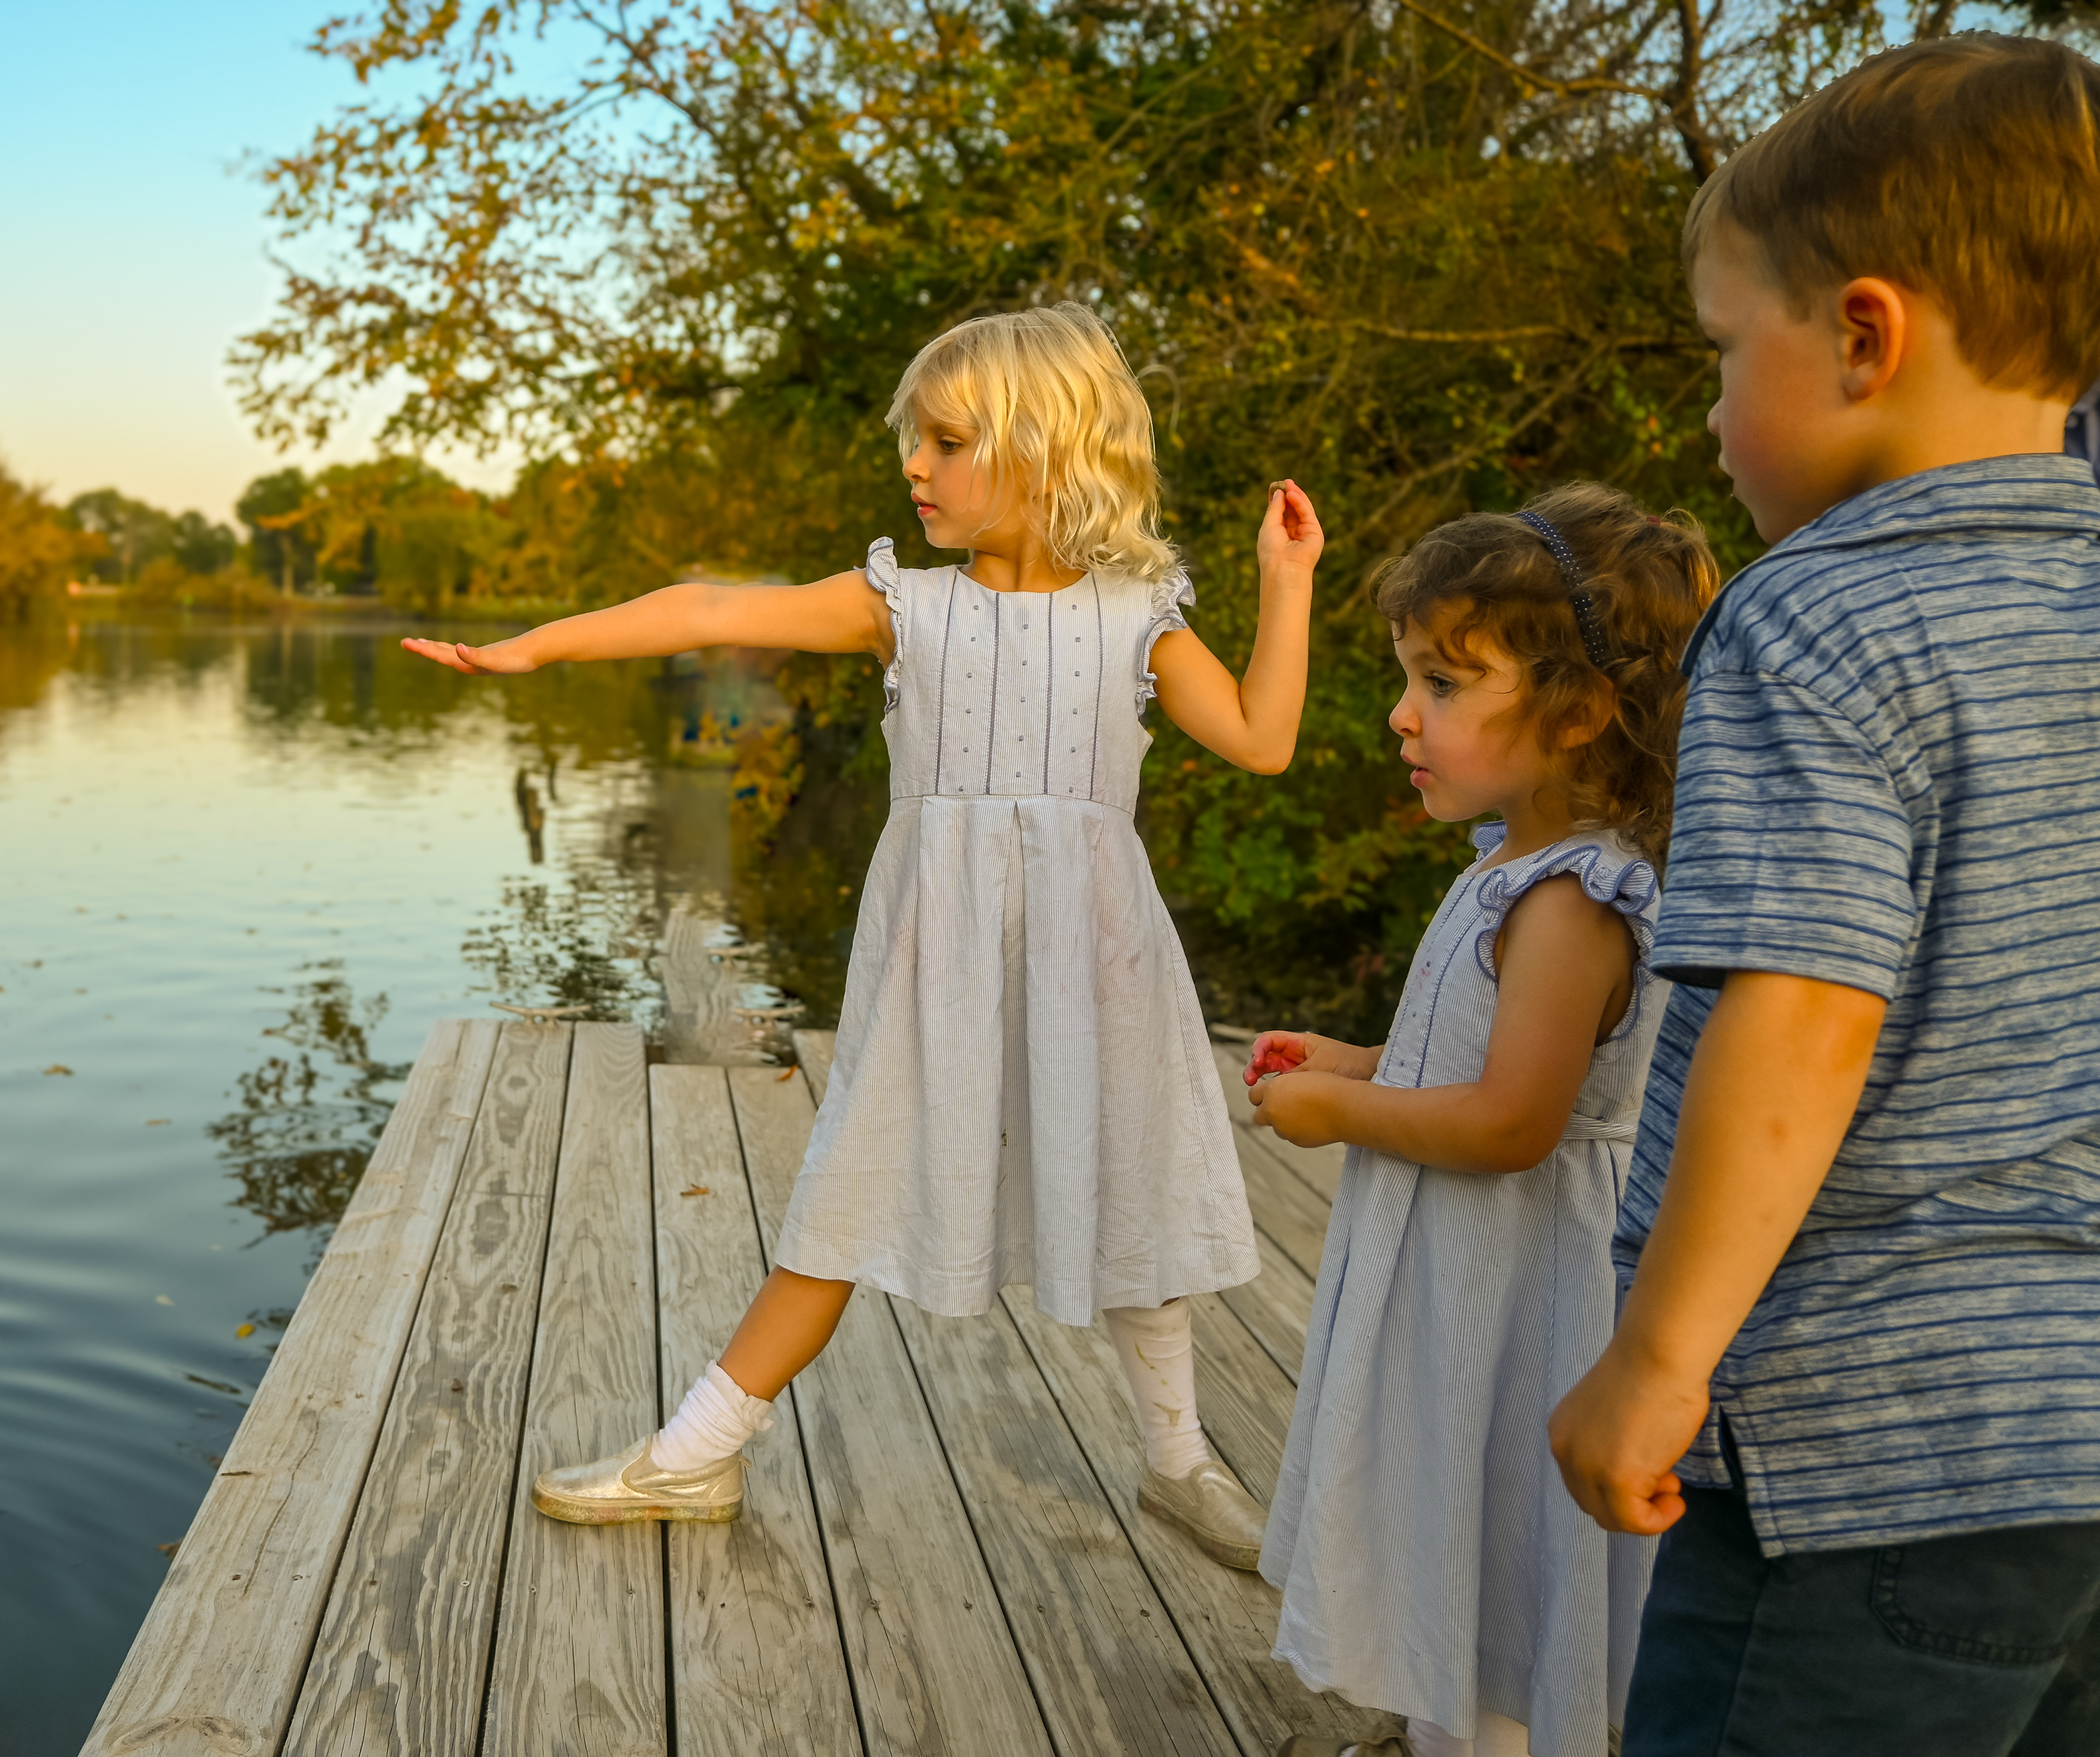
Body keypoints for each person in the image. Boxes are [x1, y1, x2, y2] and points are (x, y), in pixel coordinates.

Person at [404, 302, 1319, 1563]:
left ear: (1045, 448)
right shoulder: (908, 607)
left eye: (947, 442)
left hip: (1096, 960)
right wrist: (538, 650)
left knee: (1130, 1190)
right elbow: (708, 606)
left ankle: (1179, 1462)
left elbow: (1265, 741)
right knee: (848, 1190)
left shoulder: (1136, 613)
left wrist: (1288, 584)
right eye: (915, 441)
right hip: (933, 958)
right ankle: (693, 1455)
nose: (915, 466)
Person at [1544, 35, 2100, 1756]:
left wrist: (1657, 1351)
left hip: (1868, 1457)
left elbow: (1806, 1011)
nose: (1709, 418)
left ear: (1864, 335)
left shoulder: (1817, 618)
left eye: (1725, 354)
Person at [1245, 487, 1718, 1757]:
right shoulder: (1514, 868)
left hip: (1523, 1284)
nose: (1403, 714)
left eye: (1444, 684)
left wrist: (1340, 1106)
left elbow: (1516, 1120)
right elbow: (1474, 1061)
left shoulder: (1573, 900)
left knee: (1500, 1535)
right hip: (1472, 1268)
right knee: (1449, 1511)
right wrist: (1359, 1057)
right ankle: (1443, 1727)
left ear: (1577, 712)